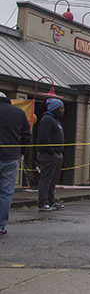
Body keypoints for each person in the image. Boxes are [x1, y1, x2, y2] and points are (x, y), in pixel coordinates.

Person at [1, 92, 33, 234]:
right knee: (5, 193)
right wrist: (21, 152)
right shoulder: (19, 113)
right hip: (10, 157)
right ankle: (0, 226)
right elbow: (27, 134)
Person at [37, 98, 66, 212]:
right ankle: (43, 203)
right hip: (48, 154)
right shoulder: (47, 119)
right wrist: (52, 152)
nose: (63, 111)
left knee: (53, 180)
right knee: (46, 179)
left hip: (57, 153)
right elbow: (44, 137)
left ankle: (51, 201)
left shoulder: (56, 121)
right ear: (55, 108)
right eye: (61, 108)